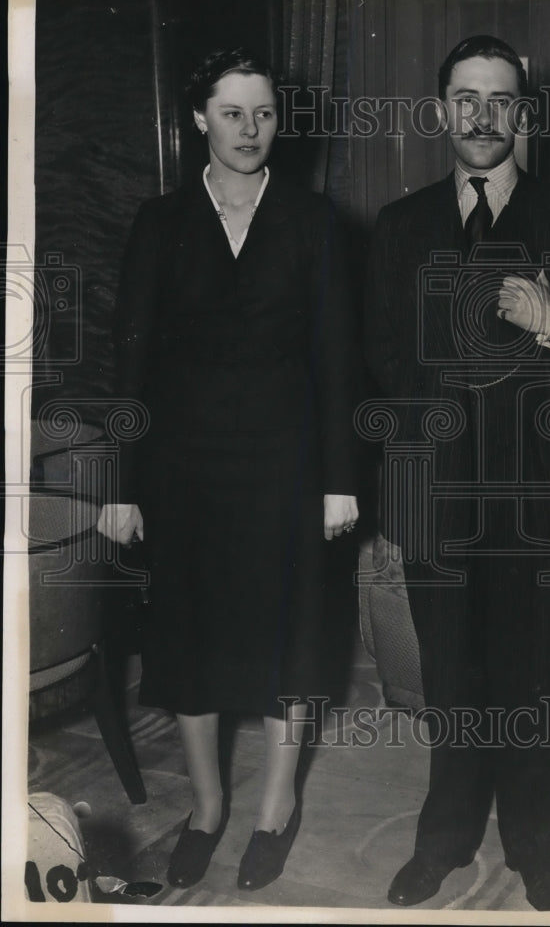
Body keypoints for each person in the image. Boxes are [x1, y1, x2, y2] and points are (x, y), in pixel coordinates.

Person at [364, 35, 550, 911]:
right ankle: (445, 840)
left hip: (543, 500)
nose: (481, 116)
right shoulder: (399, 225)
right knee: (451, 681)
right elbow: (373, 363)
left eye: (499, 100)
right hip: (437, 499)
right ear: (440, 110)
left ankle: (534, 848)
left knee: (533, 683)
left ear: (523, 115)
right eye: (464, 98)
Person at [97, 48, 359, 891]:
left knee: (292, 641)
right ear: (199, 120)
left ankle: (276, 806)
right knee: (191, 641)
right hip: (184, 474)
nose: (251, 130)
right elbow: (128, 364)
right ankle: (206, 808)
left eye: (266, 114)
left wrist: (339, 479)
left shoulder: (316, 221)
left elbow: (338, 360)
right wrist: (123, 486)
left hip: (287, 470)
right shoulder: (159, 222)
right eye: (234, 113)